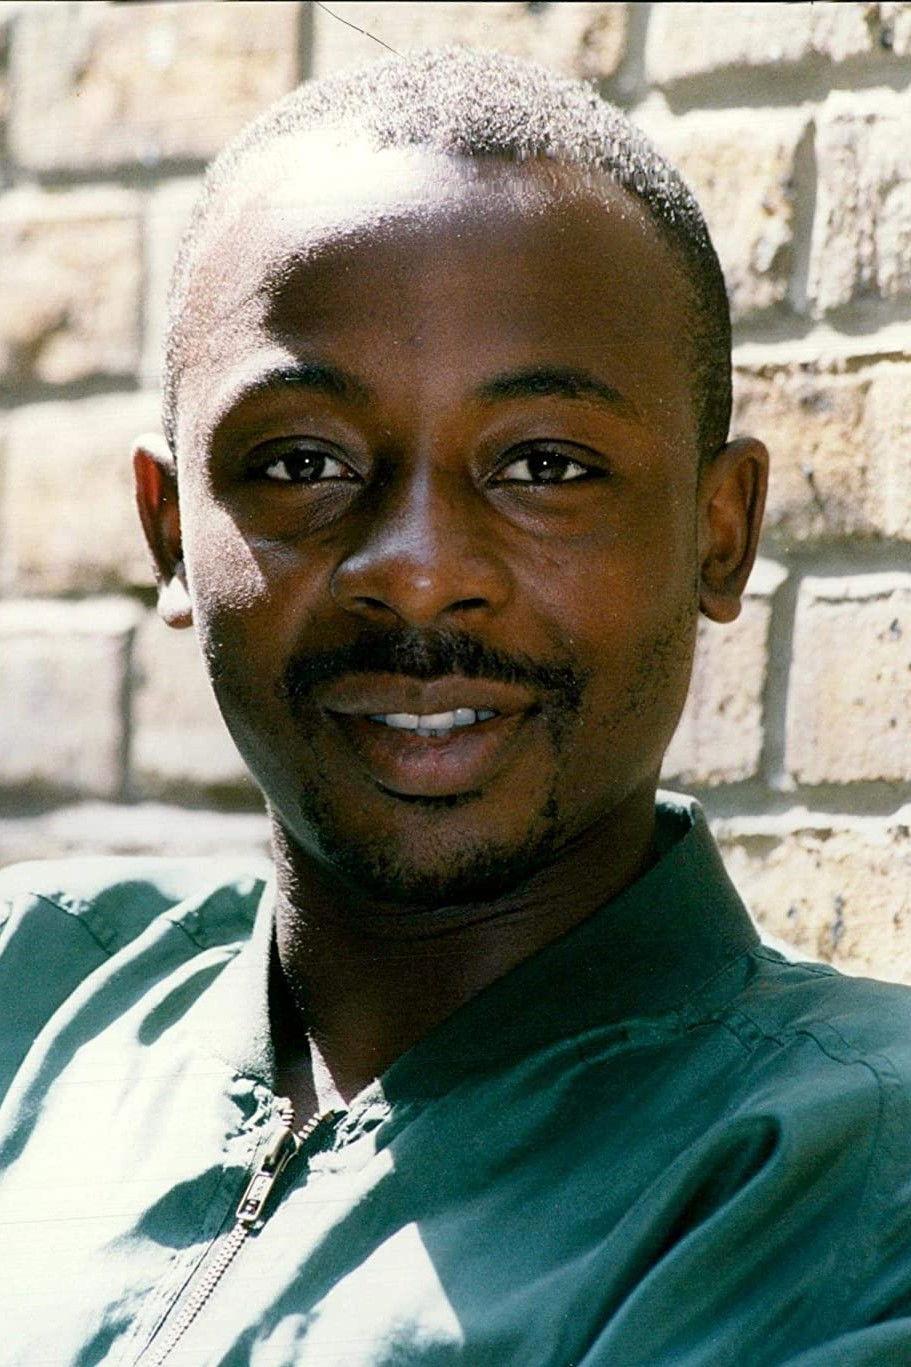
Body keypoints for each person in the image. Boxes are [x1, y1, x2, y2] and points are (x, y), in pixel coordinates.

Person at [0, 46, 909, 1367]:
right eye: (302, 462)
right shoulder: (35, 998)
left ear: (719, 534)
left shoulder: (833, 1175)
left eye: (545, 466)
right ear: (172, 531)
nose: (419, 568)